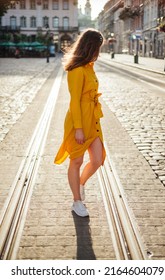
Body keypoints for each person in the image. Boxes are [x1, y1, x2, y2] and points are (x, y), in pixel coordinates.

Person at [54, 29, 106, 217]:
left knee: (97, 160)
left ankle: (81, 184)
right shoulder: (76, 70)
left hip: (92, 120)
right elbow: (74, 101)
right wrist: (78, 128)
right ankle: (77, 201)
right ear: (90, 47)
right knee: (76, 161)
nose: (98, 53)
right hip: (79, 122)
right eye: (97, 49)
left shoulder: (89, 67)